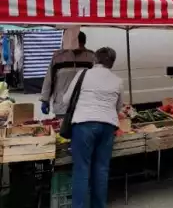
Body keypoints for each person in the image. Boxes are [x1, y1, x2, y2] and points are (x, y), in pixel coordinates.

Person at [62, 47, 122, 208]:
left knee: (81, 169)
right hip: (108, 126)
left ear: (95, 59)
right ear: (112, 63)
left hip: (83, 125)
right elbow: (118, 107)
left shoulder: (83, 74)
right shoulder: (117, 80)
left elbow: (66, 99)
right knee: (101, 169)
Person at [40, 31, 96, 116]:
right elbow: (49, 79)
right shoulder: (58, 57)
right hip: (62, 105)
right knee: (60, 128)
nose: (78, 48)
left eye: (81, 45)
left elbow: (97, 79)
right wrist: (45, 99)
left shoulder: (91, 57)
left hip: (84, 105)